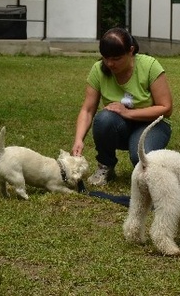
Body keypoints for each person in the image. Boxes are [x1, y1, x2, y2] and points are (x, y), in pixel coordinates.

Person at [72, 27, 173, 186]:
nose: (110, 63)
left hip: (152, 124)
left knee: (139, 156)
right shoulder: (98, 70)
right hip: (120, 126)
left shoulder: (149, 66)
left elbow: (166, 108)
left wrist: (127, 113)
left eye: (117, 58)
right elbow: (88, 109)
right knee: (103, 119)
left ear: (131, 51)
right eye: (106, 58)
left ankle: (156, 170)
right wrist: (78, 139)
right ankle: (106, 166)